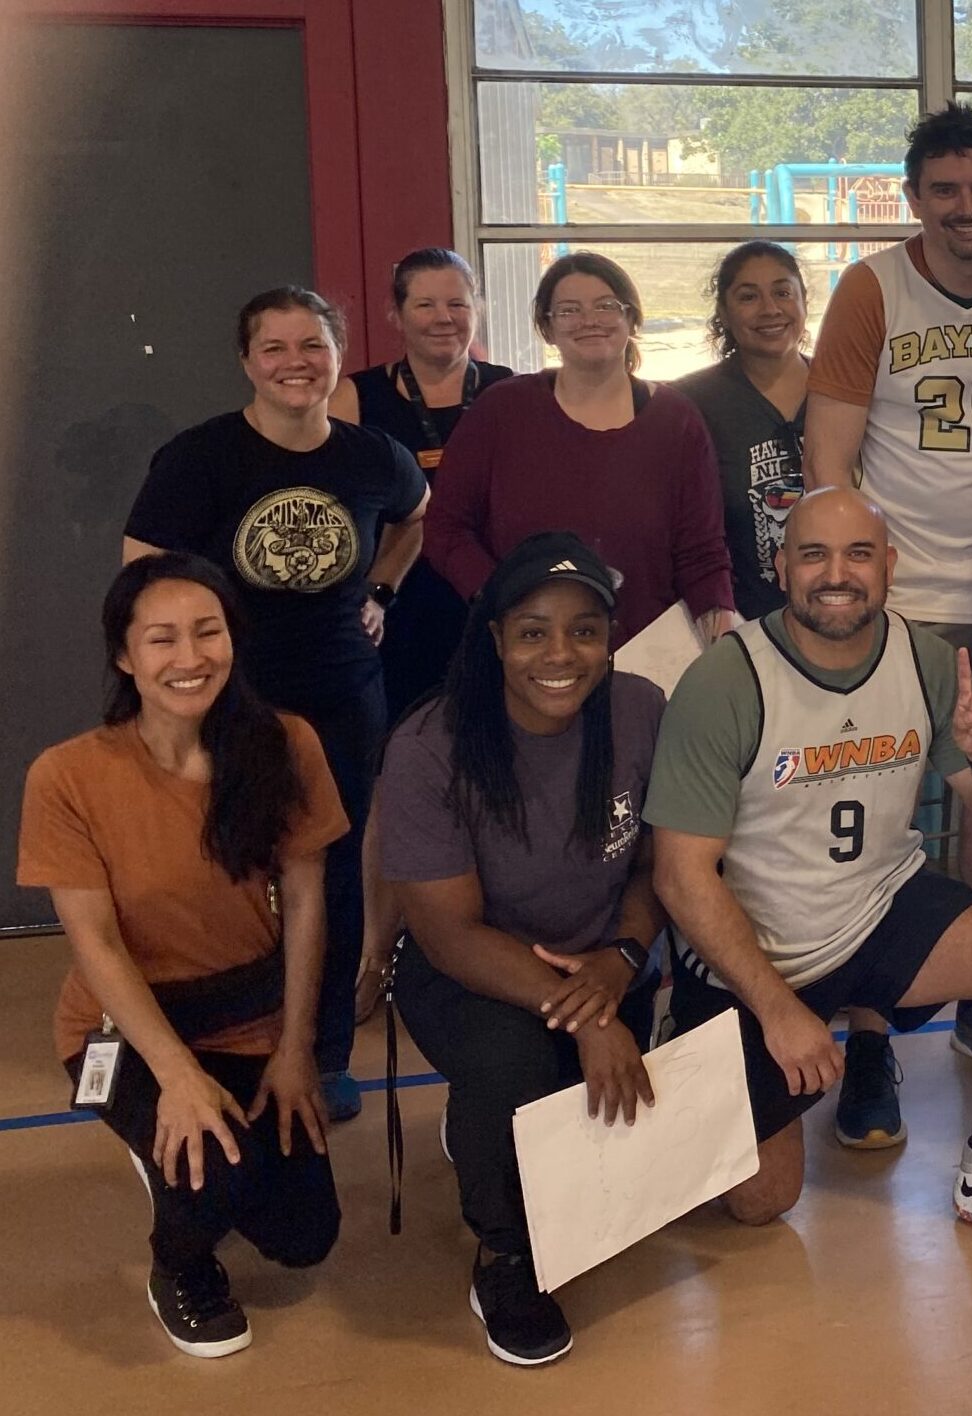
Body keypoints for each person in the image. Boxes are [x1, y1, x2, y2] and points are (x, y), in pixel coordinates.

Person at [647, 488, 972, 1265]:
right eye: (813, 554)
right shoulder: (725, 680)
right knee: (761, 1203)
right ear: (781, 567)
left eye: (857, 554)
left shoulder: (922, 658)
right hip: (762, 943)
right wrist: (780, 1011)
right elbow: (682, 879)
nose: (836, 574)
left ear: (888, 565)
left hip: (881, 903)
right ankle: (687, 1043)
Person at [800, 103, 972, 1101]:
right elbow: (828, 455)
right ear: (915, 200)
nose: (967, 208)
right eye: (946, 191)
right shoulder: (872, 288)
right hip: (903, 595)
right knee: (880, 801)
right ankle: (871, 1025)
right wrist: (851, 583)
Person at [18, 554, 347, 1357]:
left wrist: (298, 1049)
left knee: (305, 1235)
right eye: (161, 639)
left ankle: (187, 1161)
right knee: (208, 1176)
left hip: (251, 1017)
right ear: (126, 657)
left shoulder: (286, 745)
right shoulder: (67, 775)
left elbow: (306, 902)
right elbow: (92, 941)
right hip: (128, 1025)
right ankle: (179, 1265)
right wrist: (176, 1077)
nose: (190, 657)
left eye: (208, 632)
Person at [124, 286, 429, 1119]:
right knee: (219, 873)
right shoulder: (201, 459)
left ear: (337, 354)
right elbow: (141, 575)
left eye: (313, 347)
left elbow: (412, 520)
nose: (297, 364)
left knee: (326, 880)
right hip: (229, 702)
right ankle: (213, 1052)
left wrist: (381, 590)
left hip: (341, 698)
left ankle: (321, 1054)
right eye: (276, 349)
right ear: (247, 362)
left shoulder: (372, 458)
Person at [379, 534, 667, 1364]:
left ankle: (485, 1129)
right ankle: (505, 1259)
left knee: (595, 1143)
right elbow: (447, 932)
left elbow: (653, 867)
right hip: (468, 973)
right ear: (497, 640)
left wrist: (620, 959)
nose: (560, 654)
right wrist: (585, 1018)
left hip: (602, 962)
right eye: (534, 631)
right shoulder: (431, 746)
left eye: (584, 631)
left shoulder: (642, 710)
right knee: (514, 1073)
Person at [424, 251, 737, 652]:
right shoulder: (501, 410)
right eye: (569, 310)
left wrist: (721, 636)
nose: (589, 320)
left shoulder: (676, 420)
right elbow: (446, 529)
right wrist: (501, 599)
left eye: (606, 306)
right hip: (525, 655)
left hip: (646, 654)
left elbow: (702, 552)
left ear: (631, 319)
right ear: (547, 328)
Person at [332, 247, 519, 719]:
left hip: (491, 600)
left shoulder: (512, 392)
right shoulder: (353, 398)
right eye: (425, 305)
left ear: (477, 309)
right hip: (394, 605)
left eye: (457, 304)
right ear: (395, 314)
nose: (444, 318)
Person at [675, 240, 810, 625]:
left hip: (840, 617)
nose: (770, 309)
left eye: (783, 293)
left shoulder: (844, 393)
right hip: (737, 625)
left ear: (804, 300)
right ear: (724, 311)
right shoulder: (689, 405)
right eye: (748, 296)